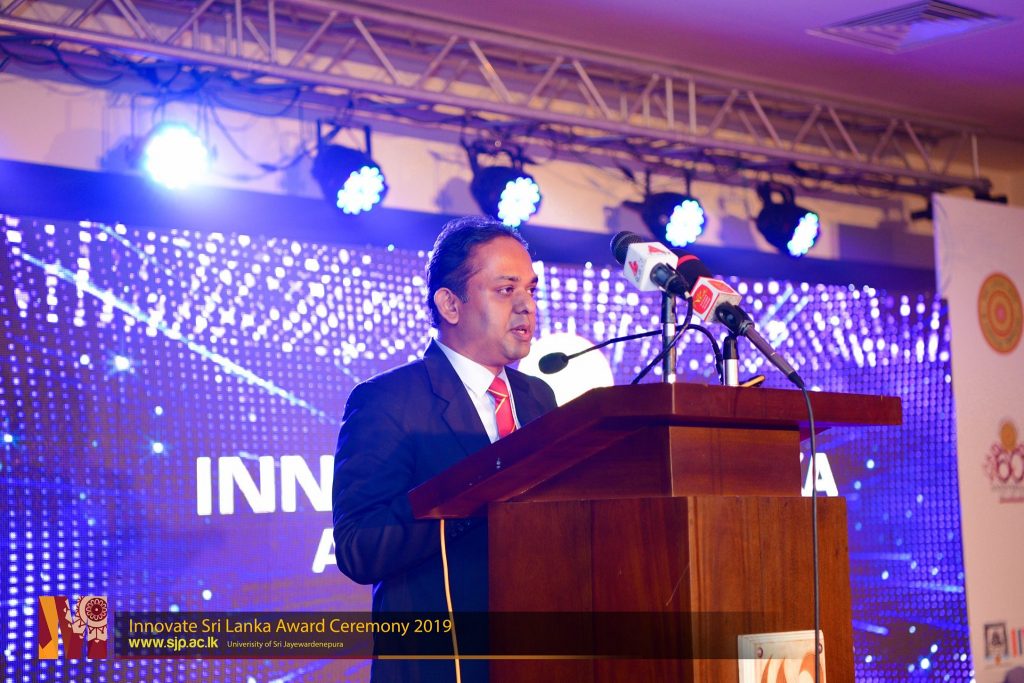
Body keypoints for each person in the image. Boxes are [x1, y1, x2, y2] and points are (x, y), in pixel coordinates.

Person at [332, 216, 558, 683]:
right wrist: (473, 492)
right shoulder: (388, 400)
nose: (526, 307)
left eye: (531, 290)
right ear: (450, 304)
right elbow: (358, 548)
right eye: (506, 290)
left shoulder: (538, 397)